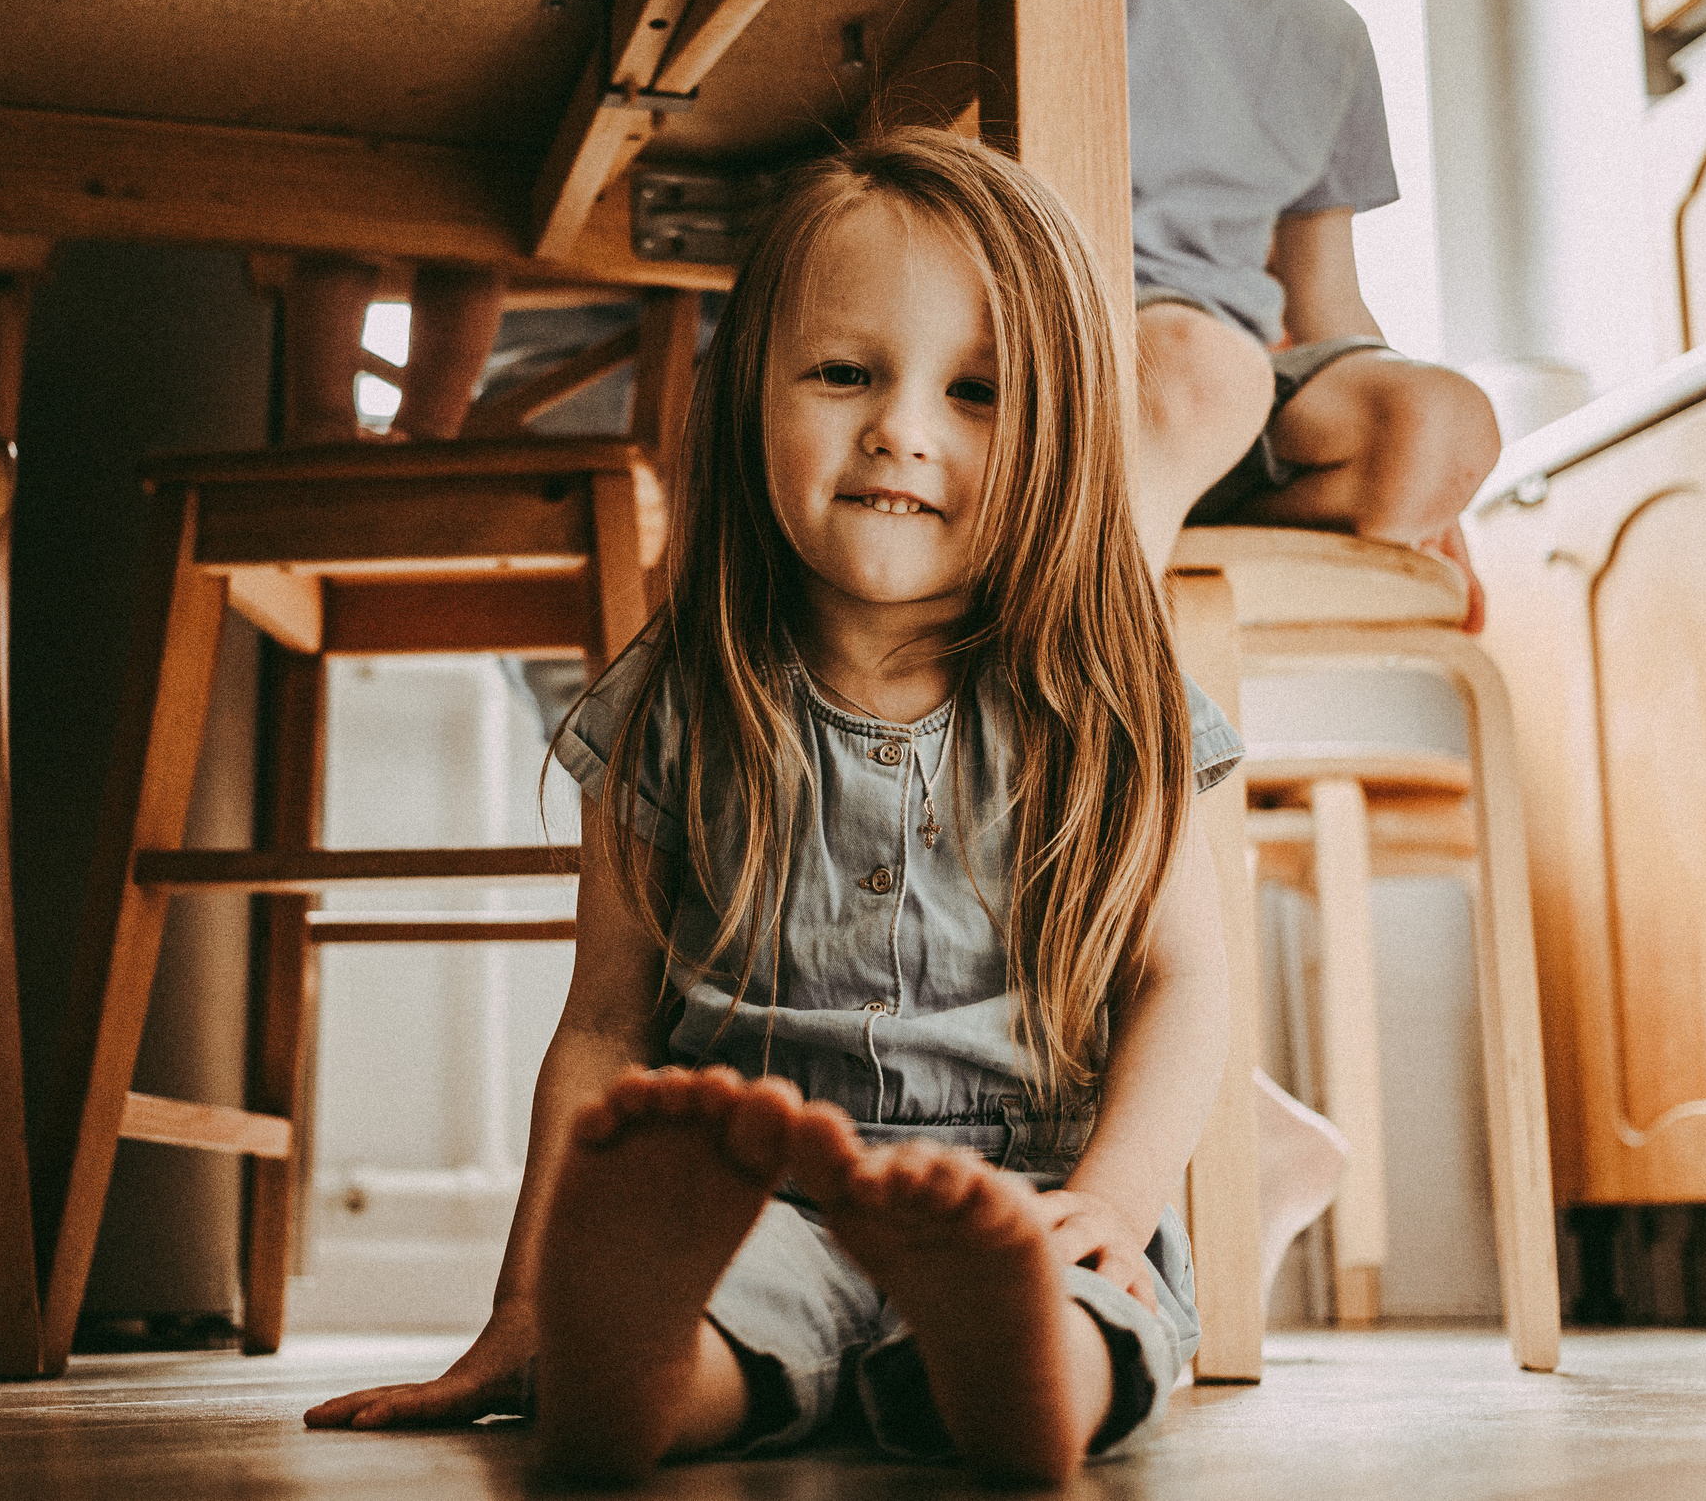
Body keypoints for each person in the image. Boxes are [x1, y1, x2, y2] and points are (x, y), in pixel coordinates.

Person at [303, 129, 1240, 1483]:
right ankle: (618, 1370)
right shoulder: (674, 698)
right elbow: (606, 1024)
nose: (900, 428)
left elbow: (1185, 980)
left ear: (1061, 435)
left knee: (1083, 1316)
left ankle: (1022, 1370)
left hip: (1028, 1198)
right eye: (847, 372)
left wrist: (1112, 1202)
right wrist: (519, 1309)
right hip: (742, 1197)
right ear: (748, 394)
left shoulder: (1102, 692)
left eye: (974, 391)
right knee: (700, 1335)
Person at [1126, 0, 1503, 626]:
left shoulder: (1328, 31)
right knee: (1204, 369)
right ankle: (1114, 638)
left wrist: (1440, 486)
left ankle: (1160, 545)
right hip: (1102, 355)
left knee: (1451, 420)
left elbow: (1325, 300)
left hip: (1239, 388)